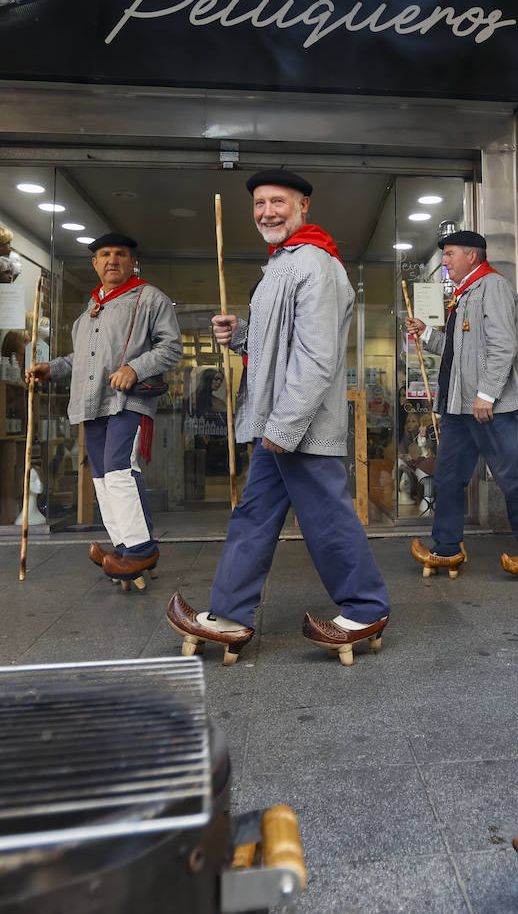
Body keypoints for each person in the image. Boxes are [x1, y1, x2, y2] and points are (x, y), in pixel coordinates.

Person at [166, 169, 391, 666]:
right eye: (260, 204)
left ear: (303, 205)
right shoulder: (283, 264)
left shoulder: (315, 264)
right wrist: (243, 334)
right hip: (277, 424)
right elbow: (281, 347)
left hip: (298, 426)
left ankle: (368, 607)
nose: (266, 211)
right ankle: (229, 613)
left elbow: (316, 357)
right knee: (254, 516)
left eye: (278, 202)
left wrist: (285, 426)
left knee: (327, 518)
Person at [27, 233, 182, 586]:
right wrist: (50, 368)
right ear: (94, 264)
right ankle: (125, 548)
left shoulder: (149, 298)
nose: (112, 259)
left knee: (119, 470)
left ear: (133, 262)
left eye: (120, 254)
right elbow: (79, 359)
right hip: (90, 403)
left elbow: (172, 348)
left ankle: (142, 550)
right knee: (101, 478)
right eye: (104, 254)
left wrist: (135, 368)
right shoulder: (89, 311)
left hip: (128, 400)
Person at [404, 231, 518, 582]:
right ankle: (446, 548)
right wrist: (426, 333)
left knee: (508, 475)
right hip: (460, 408)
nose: (445, 261)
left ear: (472, 255)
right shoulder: (464, 294)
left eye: (451, 254)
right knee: (449, 477)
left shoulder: (493, 287)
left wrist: (487, 393)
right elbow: (458, 353)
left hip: (488, 408)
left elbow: (504, 346)